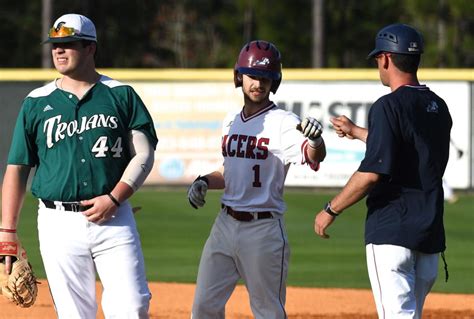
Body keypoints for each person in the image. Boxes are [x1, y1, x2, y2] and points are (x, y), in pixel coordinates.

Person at [0, 13, 158, 318]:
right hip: (57, 222)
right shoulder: (36, 102)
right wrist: (7, 232)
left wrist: (115, 198)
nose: (58, 50)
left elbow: (144, 154)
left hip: (113, 218)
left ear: (90, 48)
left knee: (133, 306)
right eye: (55, 44)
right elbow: (17, 168)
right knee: (74, 313)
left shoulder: (120, 94)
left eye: (68, 43)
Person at [315, 23, 452, 319]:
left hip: (392, 233)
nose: (378, 64)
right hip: (428, 239)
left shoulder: (387, 106)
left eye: (378, 58)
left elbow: (372, 173)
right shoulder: (438, 107)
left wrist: (331, 209)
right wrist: (359, 132)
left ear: (387, 59)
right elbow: (411, 149)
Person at [187, 40, 326, 318]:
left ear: (274, 82)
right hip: (224, 225)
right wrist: (204, 181)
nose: (258, 84)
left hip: (262, 230)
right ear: (239, 77)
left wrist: (316, 139)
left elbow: (314, 155)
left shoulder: (284, 122)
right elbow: (231, 171)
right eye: (252, 76)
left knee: (267, 312)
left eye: (266, 78)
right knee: (203, 306)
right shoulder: (230, 120)